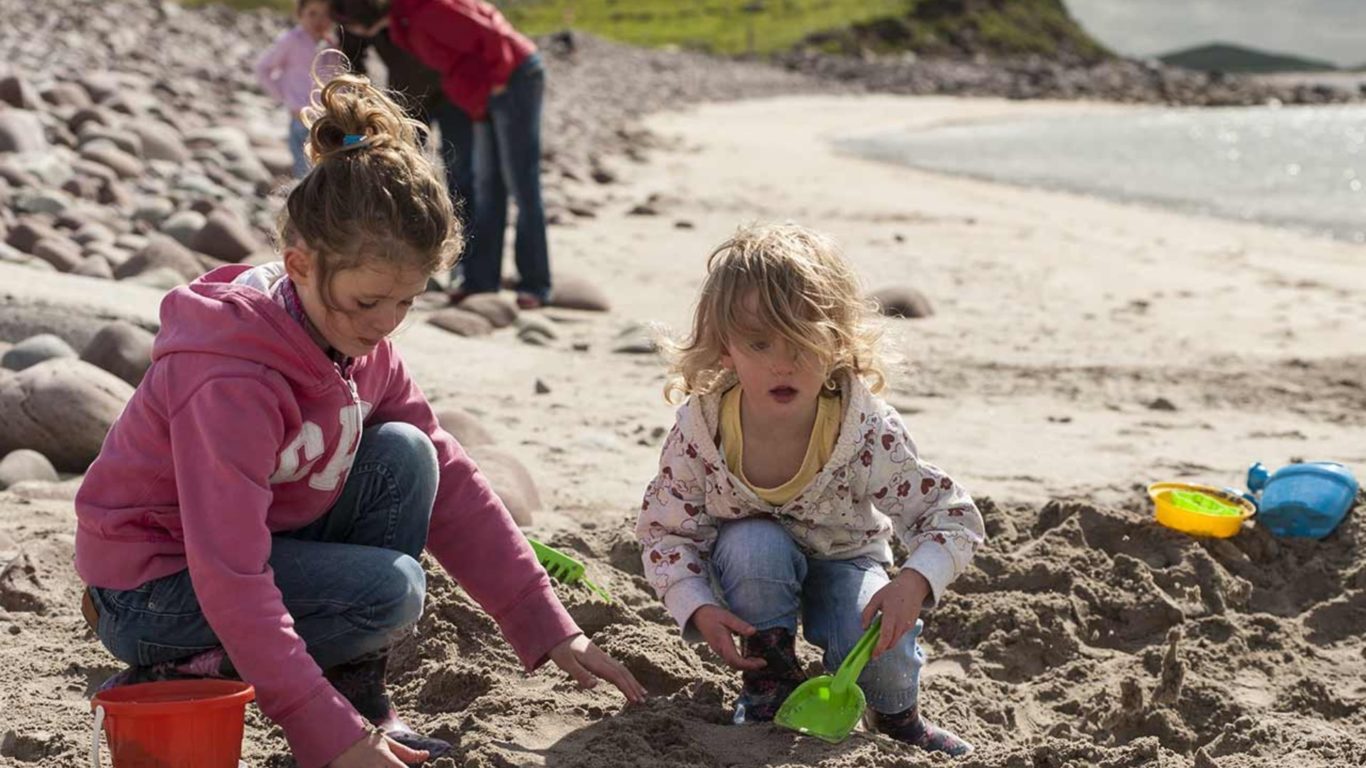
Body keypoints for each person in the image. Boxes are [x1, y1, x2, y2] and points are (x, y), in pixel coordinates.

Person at [75, 74, 645, 768]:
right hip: (152, 590)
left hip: (255, 546)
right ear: (300, 265)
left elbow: (454, 481)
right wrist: (329, 740)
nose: (383, 327)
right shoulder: (230, 378)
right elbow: (231, 572)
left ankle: (362, 700)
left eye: (405, 303)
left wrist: (548, 625)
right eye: (368, 302)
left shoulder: (353, 342)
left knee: (408, 454)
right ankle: (179, 670)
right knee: (391, 589)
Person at [635, 223, 984, 756]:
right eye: (758, 342)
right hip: (749, 573)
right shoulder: (702, 432)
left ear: (838, 342)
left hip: (848, 558)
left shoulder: (863, 429)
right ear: (724, 347)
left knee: (880, 655)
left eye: (802, 341)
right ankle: (769, 688)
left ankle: (898, 717)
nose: (782, 361)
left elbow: (952, 515)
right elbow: (664, 531)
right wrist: (697, 606)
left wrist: (913, 582)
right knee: (754, 543)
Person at [329, 0, 552, 309]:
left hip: (512, 82)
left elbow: (490, 36)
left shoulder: (424, 11)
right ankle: (480, 282)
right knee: (488, 186)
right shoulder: (401, 25)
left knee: (521, 185)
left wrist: (500, 82)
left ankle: (535, 284)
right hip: (482, 96)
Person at [338, 26, 475, 231]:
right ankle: (411, 235)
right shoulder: (357, 9)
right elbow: (353, 55)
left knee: (461, 172)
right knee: (401, 170)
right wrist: (360, 103)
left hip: (450, 89)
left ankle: (463, 248)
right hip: (407, 95)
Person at [255, 0, 345, 177]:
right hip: (301, 116)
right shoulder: (291, 40)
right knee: (305, 172)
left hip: (326, 117)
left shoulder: (331, 43)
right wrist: (285, 99)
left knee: (329, 168)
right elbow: (263, 68)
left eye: (325, 15)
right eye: (312, 14)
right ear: (300, 14)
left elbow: (335, 77)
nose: (319, 20)